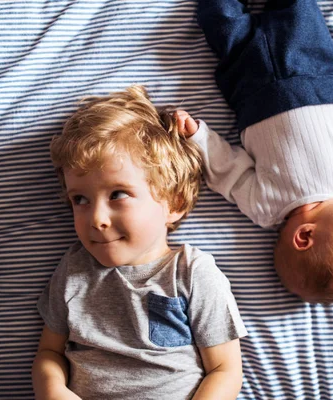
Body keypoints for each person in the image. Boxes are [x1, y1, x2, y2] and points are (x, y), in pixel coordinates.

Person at [177, 0, 333, 303]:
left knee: (221, 21)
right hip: (314, 70)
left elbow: (226, 170)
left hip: (250, 86)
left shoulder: (264, 208)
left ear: (305, 236)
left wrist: (198, 136)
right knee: (297, 11)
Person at [32, 85, 248, 400]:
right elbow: (49, 352)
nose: (96, 218)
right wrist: (51, 388)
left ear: (173, 203)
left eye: (117, 194)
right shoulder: (74, 270)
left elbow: (226, 370)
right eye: (80, 199)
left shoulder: (191, 273)